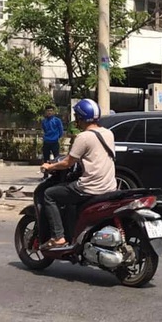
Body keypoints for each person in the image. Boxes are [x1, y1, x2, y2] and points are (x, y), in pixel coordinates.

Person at [40, 99, 117, 248]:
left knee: (49, 194)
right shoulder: (108, 133)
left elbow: (68, 162)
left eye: (76, 115)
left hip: (90, 188)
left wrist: (50, 166)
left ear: (81, 117)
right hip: (109, 186)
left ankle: (58, 237)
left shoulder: (83, 137)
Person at [41, 105, 64, 177]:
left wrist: (57, 137)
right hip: (46, 142)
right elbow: (44, 130)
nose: (49, 112)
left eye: (51, 111)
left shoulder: (57, 120)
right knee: (46, 159)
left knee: (56, 159)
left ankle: (57, 175)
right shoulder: (44, 121)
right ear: (45, 112)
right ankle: (45, 175)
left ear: (53, 112)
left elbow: (61, 131)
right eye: (48, 111)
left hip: (54, 142)